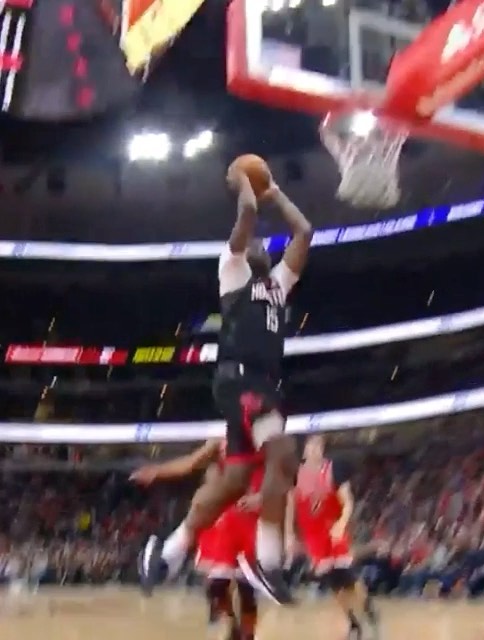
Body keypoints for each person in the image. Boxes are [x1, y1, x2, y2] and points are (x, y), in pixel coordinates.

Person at [139, 161, 312, 604]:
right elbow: (247, 216)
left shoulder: (277, 286)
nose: (256, 243)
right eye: (250, 241)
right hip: (240, 379)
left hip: (261, 384)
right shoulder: (232, 272)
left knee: (235, 479)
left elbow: (304, 232)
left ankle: (169, 551)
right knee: (283, 454)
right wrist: (243, 184)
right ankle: (268, 563)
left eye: (260, 243)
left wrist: (275, 191)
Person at [131, 440, 261, 640]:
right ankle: (228, 625)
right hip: (219, 517)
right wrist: (157, 472)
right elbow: (190, 463)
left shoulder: (262, 442)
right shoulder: (221, 441)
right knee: (217, 585)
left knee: (245, 589)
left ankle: (243, 632)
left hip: (247, 515)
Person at [292, 435, 378, 640]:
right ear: (304, 451)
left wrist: (341, 523)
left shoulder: (333, 470)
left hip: (333, 532)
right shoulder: (296, 475)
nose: (314, 450)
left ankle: (368, 609)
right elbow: (291, 505)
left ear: (323, 450)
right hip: (313, 537)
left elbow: (347, 501)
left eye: (318, 446)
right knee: (334, 583)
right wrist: (291, 535)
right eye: (311, 446)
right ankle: (353, 622)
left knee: (348, 576)